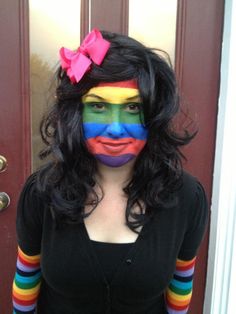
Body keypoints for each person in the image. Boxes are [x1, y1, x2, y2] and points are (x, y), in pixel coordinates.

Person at [12, 29, 208, 314]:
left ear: (153, 114)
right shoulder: (43, 191)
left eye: (132, 107)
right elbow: (26, 282)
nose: (115, 129)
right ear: (75, 115)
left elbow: (180, 287)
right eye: (99, 106)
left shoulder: (187, 198)